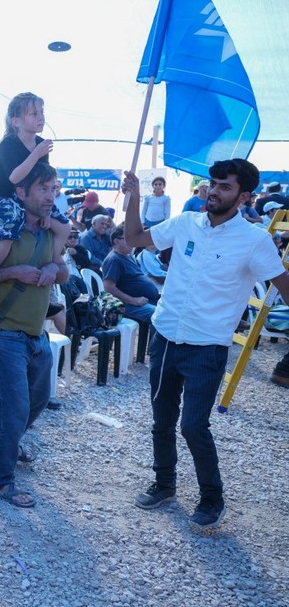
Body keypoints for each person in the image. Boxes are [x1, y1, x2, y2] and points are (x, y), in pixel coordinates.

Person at [122, 162, 289, 529]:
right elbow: (133, 238)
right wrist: (133, 196)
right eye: (213, 184)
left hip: (207, 347)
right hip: (166, 336)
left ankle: (212, 498)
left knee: (194, 426)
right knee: (162, 419)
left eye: (225, 187)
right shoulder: (185, 223)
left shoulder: (255, 240)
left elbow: (284, 286)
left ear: (244, 196)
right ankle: (164, 484)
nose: (214, 191)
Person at [0, 161, 68, 509]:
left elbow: (64, 271)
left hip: (38, 334)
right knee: (14, 408)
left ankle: (6, 443)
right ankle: (2, 482)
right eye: (42, 189)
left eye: (54, 189)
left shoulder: (51, 231)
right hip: (5, 334)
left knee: (38, 400)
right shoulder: (1, 230)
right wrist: (13, 272)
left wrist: (52, 268)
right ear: (21, 192)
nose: (50, 197)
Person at [0, 92, 70, 307]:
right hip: (3, 196)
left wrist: (44, 210)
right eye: (33, 114)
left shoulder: (40, 144)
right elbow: (14, 178)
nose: (40, 117)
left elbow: (41, 179)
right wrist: (36, 154)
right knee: (9, 227)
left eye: (41, 112)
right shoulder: (8, 145)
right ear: (16, 121)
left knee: (63, 228)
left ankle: (51, 271)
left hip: (27, 197)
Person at [101, 225, 160, 323]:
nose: (132, 242)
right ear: (116, 241)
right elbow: (108, 287)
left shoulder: (127, 256)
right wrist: (133, 300)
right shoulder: (114, 260)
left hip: (146, 300)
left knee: (170, 310)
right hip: (128, 305)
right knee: (159, 316)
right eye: (128, 238)